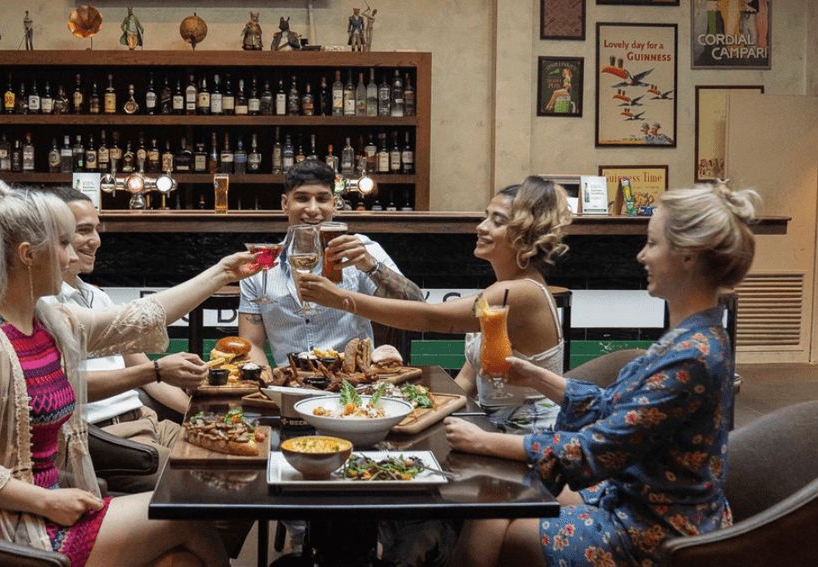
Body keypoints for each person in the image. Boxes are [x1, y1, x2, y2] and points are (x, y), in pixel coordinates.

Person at [0, 180, 259, 567]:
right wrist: (47, 500)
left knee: (183, 562)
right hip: (16, 529)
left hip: (54, 504)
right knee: (189, 516)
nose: (72, 257)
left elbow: (137, 318)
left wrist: (222, 272)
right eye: (63, 243)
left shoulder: (50, 322)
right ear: (27, 255)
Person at [445, 181, 759, 567]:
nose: (642, 255)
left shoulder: (692, 356)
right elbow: (615, 406)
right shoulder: (694, 337)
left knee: (495, 521)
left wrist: (484, 443)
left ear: (688, 257)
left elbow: (596, 447)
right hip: (634, 499)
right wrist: (537, 377)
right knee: (494, 505)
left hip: (656, 530)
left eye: (652, 244)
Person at [300, 176, 571, 434]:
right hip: (492, 427)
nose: (481, 226)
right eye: (485, 216)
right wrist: (424, 408)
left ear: (525, 235)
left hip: (530, 437)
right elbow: (466, 382)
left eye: (497, 221)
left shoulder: (521, 292)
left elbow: (430, 318)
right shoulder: (502, 288)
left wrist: (341, 299)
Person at [42, 187, 204, 493]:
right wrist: (155, 371)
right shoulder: (42, 304)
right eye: (84, 231)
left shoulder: (97, 296)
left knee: (241, 460)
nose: (97, 241)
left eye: (97, 229)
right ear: (52, 237)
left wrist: (196, 415)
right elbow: (67, 386)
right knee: (216, 484)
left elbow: (147, 375)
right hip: (103, 437)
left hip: (147, 420)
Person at [239, 159, 423, 370]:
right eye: (302, 199)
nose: (313, 209)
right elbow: (251, 343)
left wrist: (371, 266)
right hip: (290, 384)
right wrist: (269, 386)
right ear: (284, 204)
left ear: (334, 205)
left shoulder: (361, 249)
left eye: (322, 199)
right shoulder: (262, 264)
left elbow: (417, 309)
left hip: (355, 384)